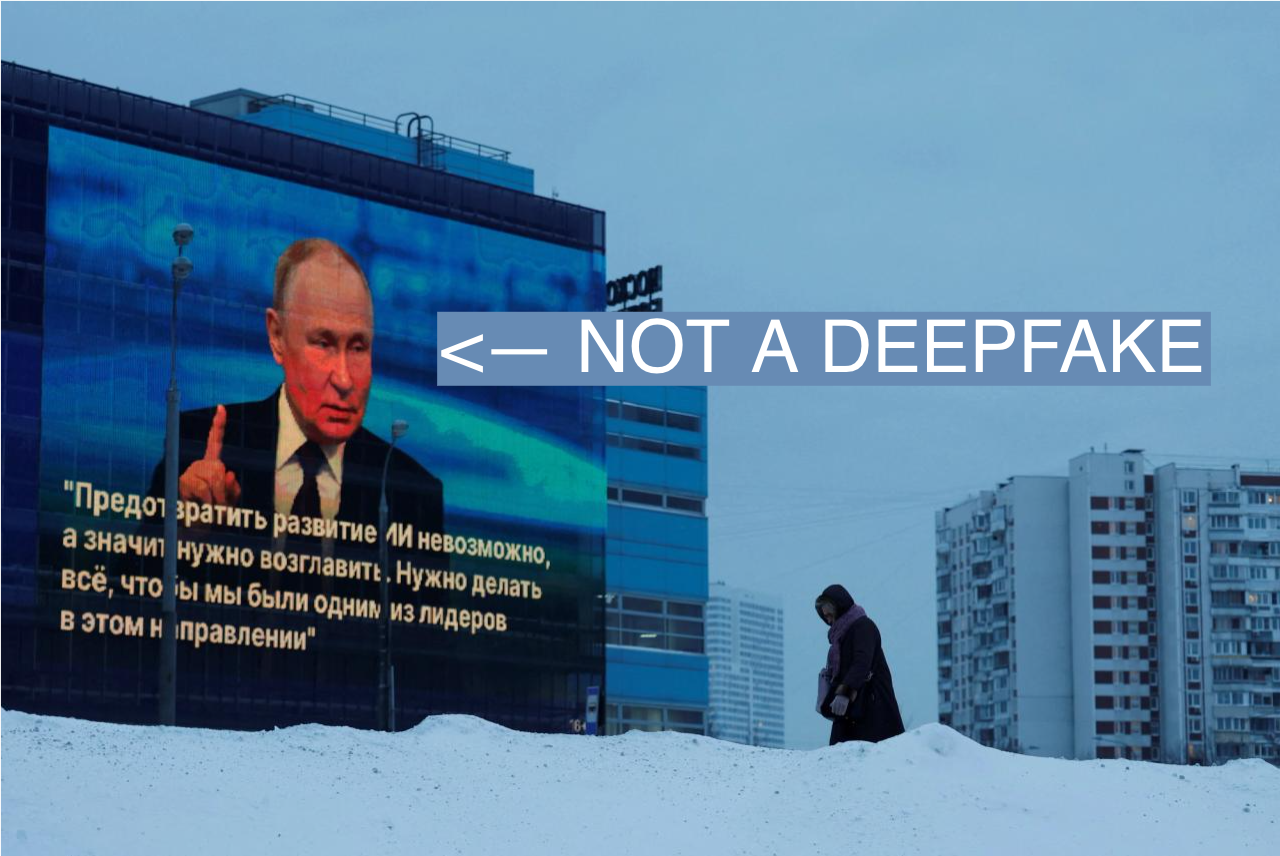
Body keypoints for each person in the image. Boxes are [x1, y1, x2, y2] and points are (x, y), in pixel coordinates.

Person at [147, 237, 444, 547]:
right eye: (323, 344)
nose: (344, 379)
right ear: (277, 336)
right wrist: (185, 535)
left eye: (358, 347)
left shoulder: (413, 491)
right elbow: (123, 586)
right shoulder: (193, 444)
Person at [815, 583, 905, 745]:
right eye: (825, 617)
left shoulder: (863, 626)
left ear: (839, 607)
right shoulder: (840, 638)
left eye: (830, 614)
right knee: (841, 760)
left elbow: (862, 663)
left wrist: (844, 693)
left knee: (872, 758)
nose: (828, 620)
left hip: (872, 708)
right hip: (852, 711)